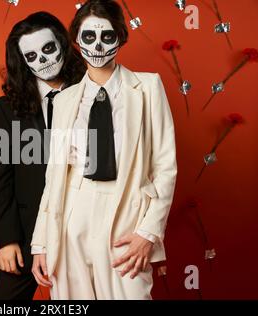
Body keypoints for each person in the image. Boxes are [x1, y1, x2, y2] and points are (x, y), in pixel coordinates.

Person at [31, 0, 177, 300]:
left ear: (121, 38)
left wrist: (148, 232)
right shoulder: (64, 100)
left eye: (107, 36)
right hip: (72, 215)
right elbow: (54, 176)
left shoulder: (148, 87)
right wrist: (41, 243)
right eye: (88, 37)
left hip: (126, 216)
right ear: (75, 41)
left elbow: (165, 164)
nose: (97, 45)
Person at [0, 11, 86, 300]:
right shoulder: (8, 109)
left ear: (62, 46)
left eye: (48, 49)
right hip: (30, 235)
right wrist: (6, 240)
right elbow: (1, 179)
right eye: (31, 56)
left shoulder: (92, 95)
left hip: (83, 229)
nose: (42, 60)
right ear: (23, 61)